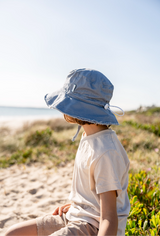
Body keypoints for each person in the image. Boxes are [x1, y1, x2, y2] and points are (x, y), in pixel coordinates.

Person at [5, 69, 130, 236]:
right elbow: (93, 193)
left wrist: (85, 212)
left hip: (92, 226)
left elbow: (108, 218)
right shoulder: (89, 134)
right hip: (76, 216)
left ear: (80, 108)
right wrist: (78, 206)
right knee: (12, 233)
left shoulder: (105, 152)